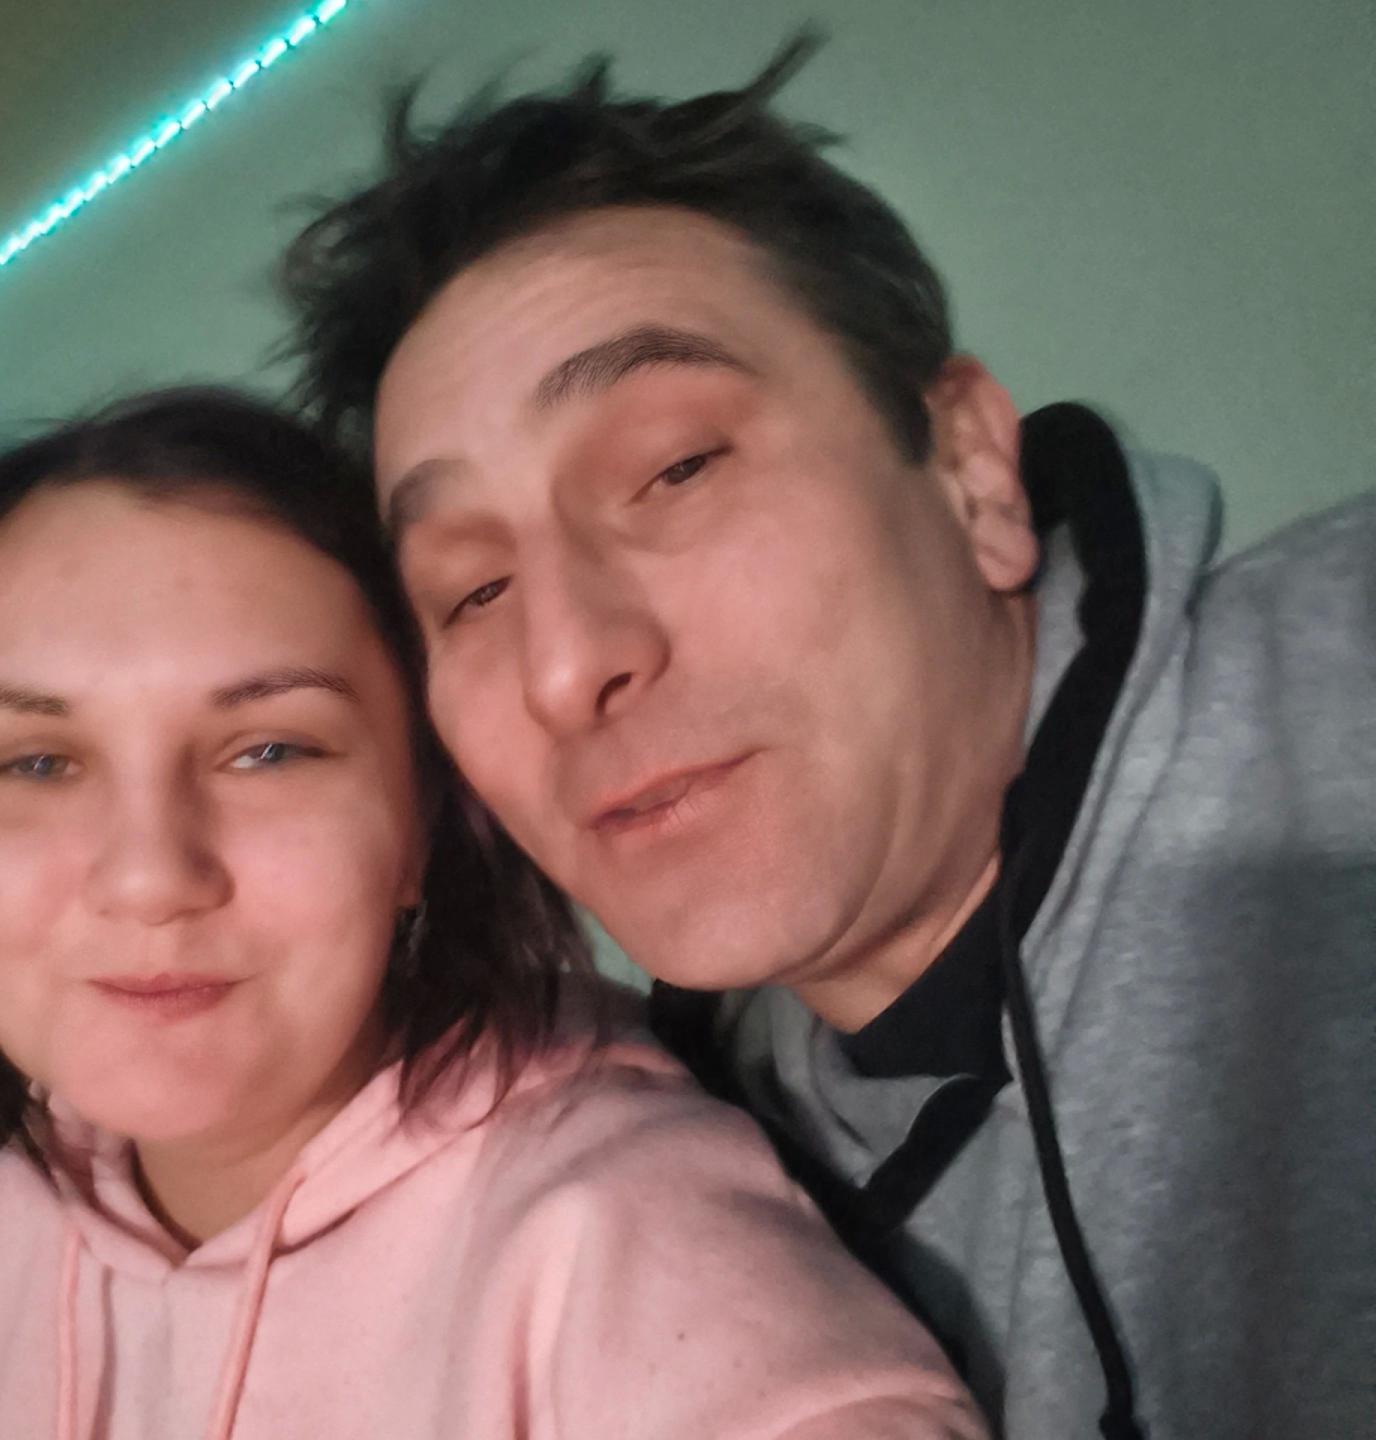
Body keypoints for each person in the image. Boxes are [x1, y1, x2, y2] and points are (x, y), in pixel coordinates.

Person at [279, 30, 1376, 1440]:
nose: (564, 662)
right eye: (471, 592)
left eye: (677, 468)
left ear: (971, 470)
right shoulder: (642, 1184)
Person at [0, 389, 984, 1439]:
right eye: (37, 764)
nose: (149, 876)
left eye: (270, 750)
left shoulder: (631, 1241)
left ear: (421, 820)